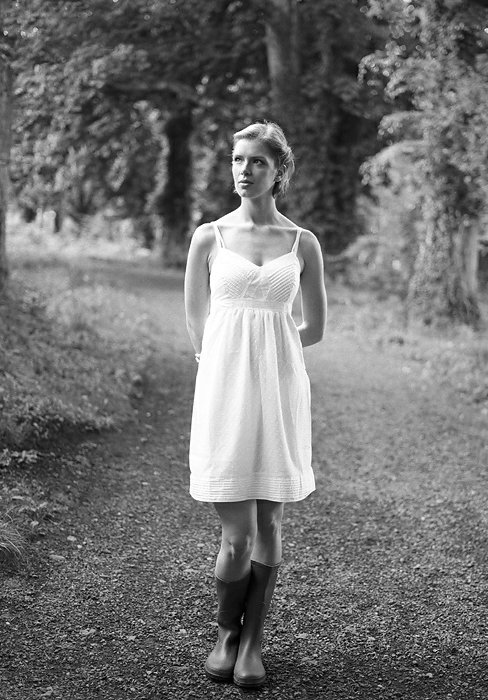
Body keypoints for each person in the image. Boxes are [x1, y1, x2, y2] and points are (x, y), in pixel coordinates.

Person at [184, 121, 327, 689]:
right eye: (238, 160)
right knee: (237, 533)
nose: (244, 170)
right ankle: (226, 633)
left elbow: (314, 327)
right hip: (224, 390)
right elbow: (198, 322)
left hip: (280, 389)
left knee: (270, 520)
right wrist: (225, 360)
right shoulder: (209, 238)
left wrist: (273, 348)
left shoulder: (302, 243)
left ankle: (253, 641)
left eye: (257, 161)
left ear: (279, 170)